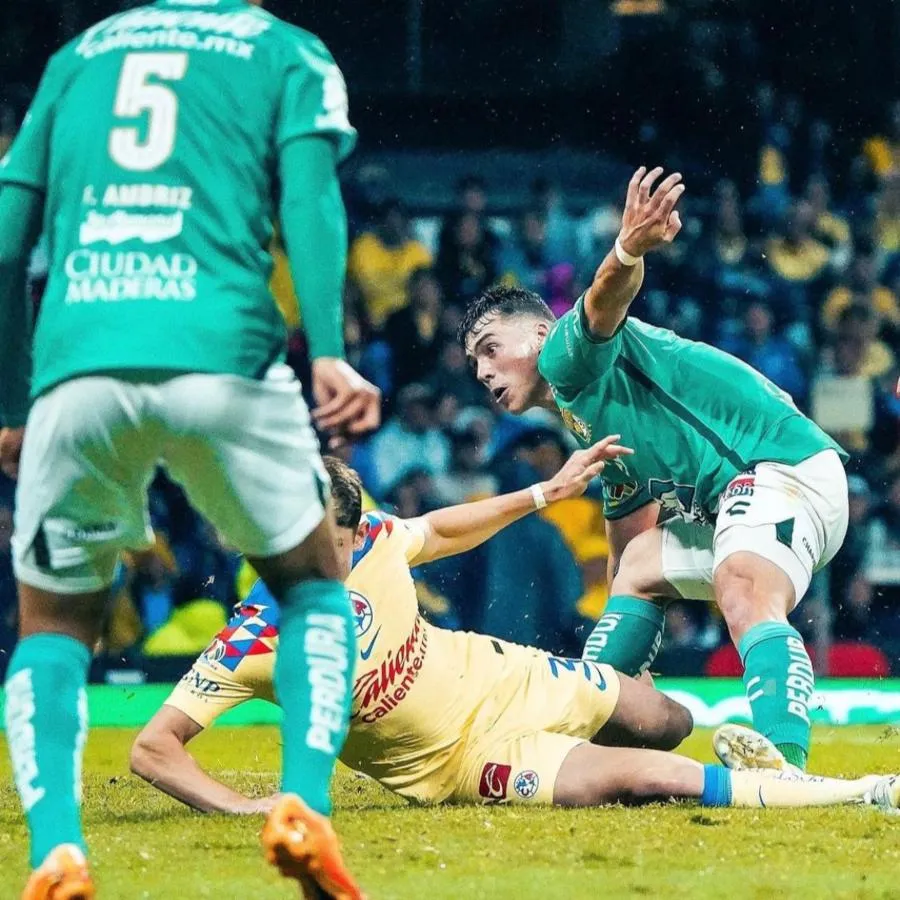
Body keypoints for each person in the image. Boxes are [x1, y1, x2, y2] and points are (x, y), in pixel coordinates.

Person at [0, 2, 381, 898]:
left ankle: (55, 847)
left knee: (53, 628)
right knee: (315, 584)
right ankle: (302, 806)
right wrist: (327, 347)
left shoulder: (79, 56)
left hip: (78, 365)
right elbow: (309, 198)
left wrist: (13, 402)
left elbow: (9, 242)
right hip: (226, 357)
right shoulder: (287, 51)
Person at [130, 456, 900, 818]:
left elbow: (438, 527)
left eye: (349, 533)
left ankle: (732, 738)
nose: (349, 546)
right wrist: (238, 809)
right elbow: (152, 748)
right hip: (468, 761)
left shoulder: (371, 537)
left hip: (504, 675)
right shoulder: (252, 638)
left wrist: (544, 492)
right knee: (643, 779)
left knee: (662, 719)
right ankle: (857, 794)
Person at [461, 165, 849, 779]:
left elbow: (603, 301)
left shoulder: (564, 353)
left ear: (539, 332)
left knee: (742, 587)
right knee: (641, 566)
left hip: (784, 468)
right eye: (473, 362)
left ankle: (787, 771)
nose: (481, 371)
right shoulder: (591, 420)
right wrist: (627, 663)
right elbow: (628, 550)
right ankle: (596, 733)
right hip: (761, 494)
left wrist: (627, 248)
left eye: (489, 347)